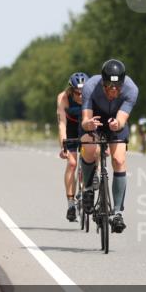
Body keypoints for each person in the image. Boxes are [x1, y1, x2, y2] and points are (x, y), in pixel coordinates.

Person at [79, 59, 138, 233]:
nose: (113, 91)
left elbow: (122, 119)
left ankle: (117, 213)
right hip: (94, 120)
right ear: (102, 83)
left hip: (115, 122)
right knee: (89, 148)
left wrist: (117, 124)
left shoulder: (131, 89)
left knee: (119, 160)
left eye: (117, 87)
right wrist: (88, 124)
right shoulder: (91, 86)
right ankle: (88, 188)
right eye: (109, 87)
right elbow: (85, 119)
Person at [57, 72, 88, 222]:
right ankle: (71, 204)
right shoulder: (63, 98)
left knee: (94, 152)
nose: (81, 96)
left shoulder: (92, 95)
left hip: (87, 126)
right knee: (72, 163)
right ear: (71, 91)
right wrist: (63, 145)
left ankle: (93, 180)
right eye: (77, 93)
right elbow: (62, 124)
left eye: (84, 92)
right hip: (71, 128)